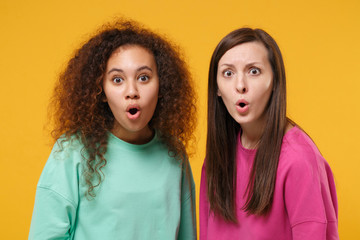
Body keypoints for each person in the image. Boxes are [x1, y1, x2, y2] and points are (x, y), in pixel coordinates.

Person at [29, 19, 197, 240]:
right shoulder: (73, 151)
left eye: (143, 78)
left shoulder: (174, 153)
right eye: (117, 79)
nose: (132, 91)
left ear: (162, 85)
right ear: (101, 91)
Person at [200, 28, 339, 240]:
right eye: (228, 73)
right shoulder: (217, 159)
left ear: (275, 81)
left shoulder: (298, 160)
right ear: (217, 88)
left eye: (253, 71)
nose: (240, 85)